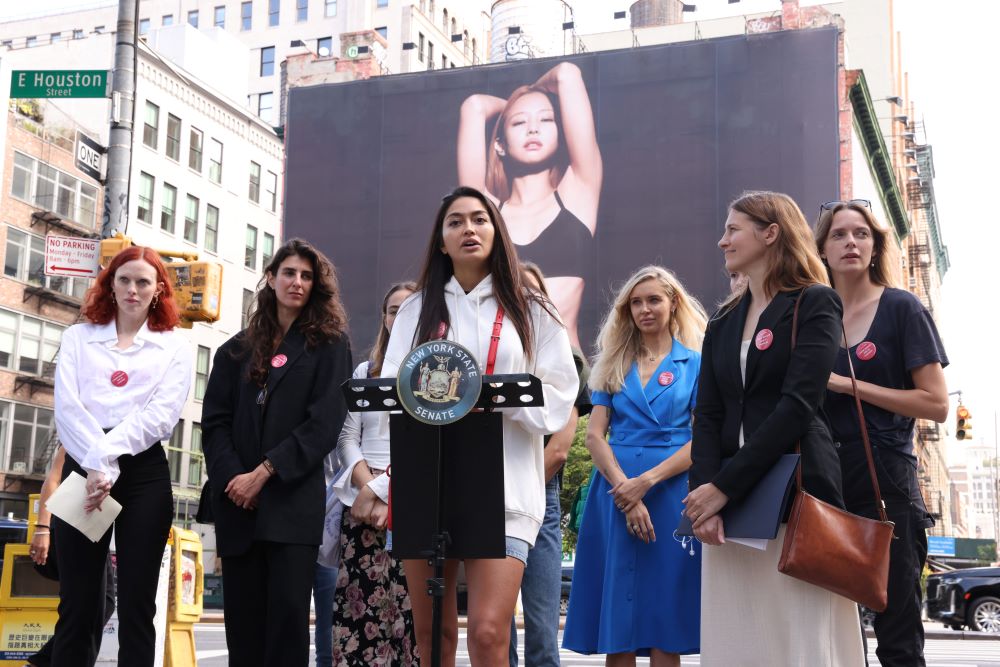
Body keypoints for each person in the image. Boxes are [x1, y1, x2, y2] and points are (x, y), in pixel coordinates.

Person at [381, 186, 578, 667]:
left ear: (496, 232)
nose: (468, 229)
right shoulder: (415, 309)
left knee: (489, 633)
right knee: (432, 635)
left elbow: (559, 394)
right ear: (440, 240)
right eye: (455, 222)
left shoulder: (531, 308)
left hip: (505, 484)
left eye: (479, 219)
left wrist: (490, 399)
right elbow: (391, 391)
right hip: (429, 482)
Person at [685, 191, 864, 666]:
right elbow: (707, 414)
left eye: (732, 229)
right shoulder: (722, 320)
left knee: (798, 640)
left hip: (796, 499)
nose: (722, 240)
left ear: (770, 233)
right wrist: (704, 496)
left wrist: (721, 487)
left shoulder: (815, 303)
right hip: (728, 511)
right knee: (738, 638)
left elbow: (797, 407)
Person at [202, 238, 353, 667]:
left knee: (286, 627)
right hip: (237, 507)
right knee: (243, 633)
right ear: (271, 278)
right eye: (289, 273)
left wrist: (264, 472)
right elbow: (214, 425)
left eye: (307, 276)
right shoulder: (234, 350)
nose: (297, 282)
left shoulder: (329, 345)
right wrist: (236, 480)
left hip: (291, 508)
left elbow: (323, 425)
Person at [816, 199, 948, 667]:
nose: (851, 242)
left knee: (896, 633)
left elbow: (936, 404)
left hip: (886, 482)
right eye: (838, 234)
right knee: (831, 635)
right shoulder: (815, 315)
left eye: (861, 233)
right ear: (822, 248)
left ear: (874, 246)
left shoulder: (901, 308)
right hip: (822, 485)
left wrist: (846, 385)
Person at [53, 245, 191, 666]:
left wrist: (106, 461)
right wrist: (96, 466)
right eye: (124, 279)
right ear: (110, 284)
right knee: (76, 602)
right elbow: (67, 408)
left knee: (136, 605)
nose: (133, 289)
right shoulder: (77, 336)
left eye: (143, 281)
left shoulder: (175, 346)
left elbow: (160, 417)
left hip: (143, 472)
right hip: (83, 469)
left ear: (158, 289)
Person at [563, 266, 706, 666]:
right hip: (614, 490)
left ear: (673, 303)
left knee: (665, 614)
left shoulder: (695, 363)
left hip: (670, 490)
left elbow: (703, 441)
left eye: (654, 299)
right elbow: (595, 437)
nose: (645, 309)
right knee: (618, 621)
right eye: (636, 302)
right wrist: (626, 492)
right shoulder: (611, 362)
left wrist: (644, 483)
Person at [457, 61, 602, 348]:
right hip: (500, 370)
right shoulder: (485, 211)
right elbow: (473, 107)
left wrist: (530, 93)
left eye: (546, 120)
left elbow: (567, 74)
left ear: (562, 135)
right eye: (519, 122)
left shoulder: (579, 192)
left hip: (565, 373)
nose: (533, 129)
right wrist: (514, 102)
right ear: (499, 143)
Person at [331, 281, 420, 667]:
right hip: (361, 507)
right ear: (383, 318)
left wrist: (386, 489)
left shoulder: (437, 371)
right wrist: (369, 487)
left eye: (409, 309)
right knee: (359, 619)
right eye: (392, 310)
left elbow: (430, 439)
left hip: (415, 500)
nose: (398, 317)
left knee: (411, 622)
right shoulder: (367, 370)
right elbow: (348, 436)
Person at [509, 262, 592, 667]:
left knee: (541, 623)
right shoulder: (495, 354)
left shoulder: (567, 358)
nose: (524, 299)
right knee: (495, 621)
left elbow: (560, 448)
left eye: (533, 292)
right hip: (487, 490)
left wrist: (518, 486)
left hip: (538, 489)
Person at [26, 447, 116, 667]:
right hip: (72, 520)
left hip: (94, 526)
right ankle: (42, 662)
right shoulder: (77, 429)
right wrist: (42, 528)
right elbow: (53, 480)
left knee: (104, 603)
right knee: (82, 606)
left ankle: (41, 662)